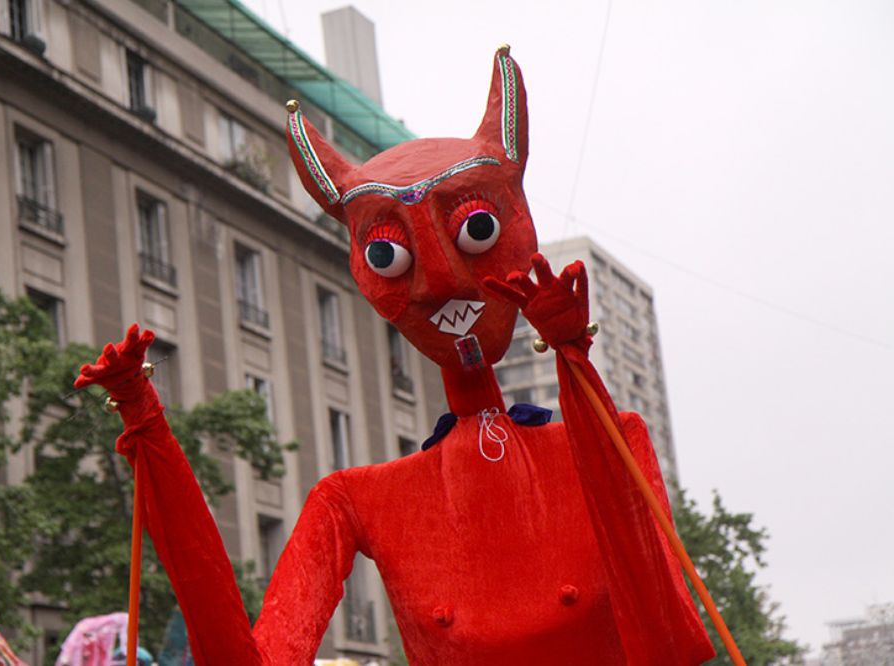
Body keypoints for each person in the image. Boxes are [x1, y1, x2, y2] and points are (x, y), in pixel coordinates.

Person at [76, 47, 714, 665]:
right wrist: (147, 426)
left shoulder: (616, 439)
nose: (439, 282)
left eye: (474, 230)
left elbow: (663, 633)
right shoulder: (355, 499)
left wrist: (574, 366)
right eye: (389, 253)